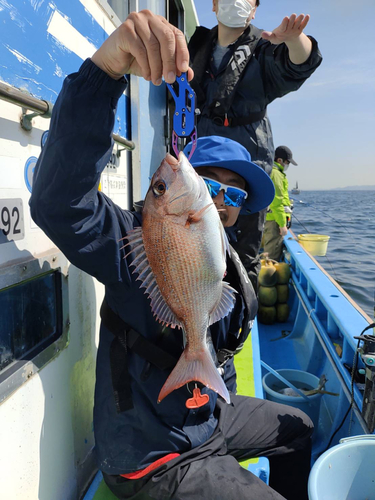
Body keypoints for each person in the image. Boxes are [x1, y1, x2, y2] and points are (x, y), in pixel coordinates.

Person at [29, 11, 313, 500]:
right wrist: (105, 72)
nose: (223, 200)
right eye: (212, 184)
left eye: (237, 194)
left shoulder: (229, 260)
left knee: (299, 427)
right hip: (151, 455)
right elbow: (60, 203)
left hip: (205, 417)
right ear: (190, 184)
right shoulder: (136, 239)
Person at [188, 0, 322, 290]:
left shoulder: (263, 49)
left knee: (244, 254)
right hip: (203, 165)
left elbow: (296, 64)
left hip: (246, 170)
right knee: (193, 241)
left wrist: (294, 39)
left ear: (254, 10)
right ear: (214, 4)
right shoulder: (196, 46)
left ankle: (237, 321)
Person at [263, 146, 297, 261]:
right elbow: (277, 202)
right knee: (270, 257)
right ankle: (266, 279)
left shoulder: (273, 172)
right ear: (279, 160)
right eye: (287, 162)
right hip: (274, 221)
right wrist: (282, 225)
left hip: (271, 218)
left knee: (268, 251)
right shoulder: (276, 174)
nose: (287, 165)